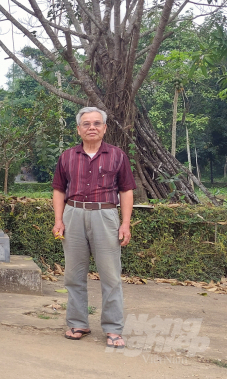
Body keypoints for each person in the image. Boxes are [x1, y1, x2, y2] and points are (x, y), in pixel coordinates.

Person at [51, 107, 136, 349]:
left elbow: (126, 190)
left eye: (97, 123)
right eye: (86, 124)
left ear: (105, 128)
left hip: (105, 215)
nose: (92, 127)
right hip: (73, 215)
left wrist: (125, 223)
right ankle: (78, 323)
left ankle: (113, 329)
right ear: (78, 129)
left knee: (110, 275)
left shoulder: (117, 156)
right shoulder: (67, 157)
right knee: (74, 275)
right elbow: (58, 189)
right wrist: (59, 219)